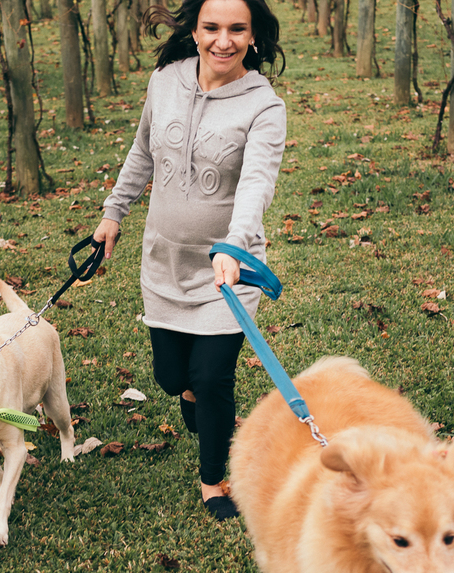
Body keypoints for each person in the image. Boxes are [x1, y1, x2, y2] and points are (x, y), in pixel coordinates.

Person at [92, 0, 286, 520]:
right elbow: (142, 153)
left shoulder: (265, 106)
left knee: (212, 377)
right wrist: (114, 213)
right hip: (164, 263)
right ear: (194, 30)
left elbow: (256, 185)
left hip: (228, 269)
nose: (224, 40)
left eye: (237, 29)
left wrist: (235, 245)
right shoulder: (165, 81)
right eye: (212, 27)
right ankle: (193, 397)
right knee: (170, 375)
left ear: (253, 35)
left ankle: (214, 481)